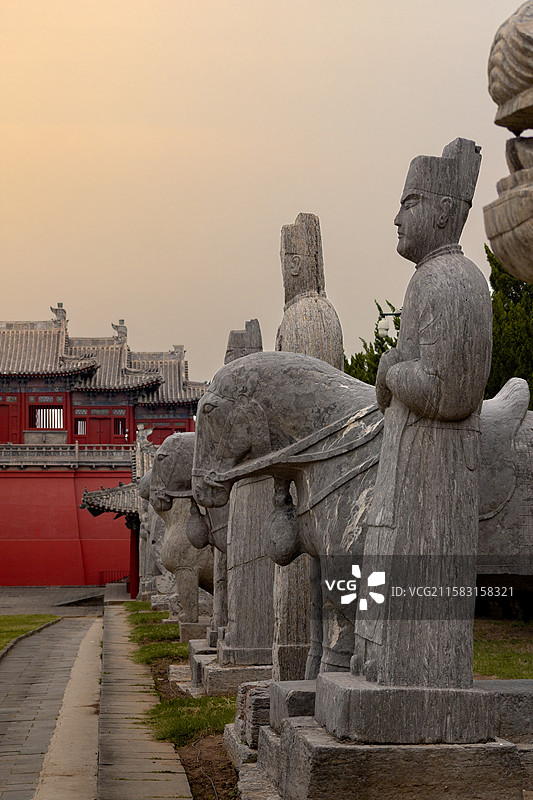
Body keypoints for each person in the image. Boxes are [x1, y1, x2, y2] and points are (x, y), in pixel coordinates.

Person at [352, 138, 493, 689]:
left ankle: (412, 673)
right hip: (410, 465)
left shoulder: (454, 282)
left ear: (440, 209)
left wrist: (390, 371)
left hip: (435, 472)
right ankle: (381, 662)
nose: (397, 217)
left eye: (408, 202)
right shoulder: (430, 279)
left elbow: (451, 392)